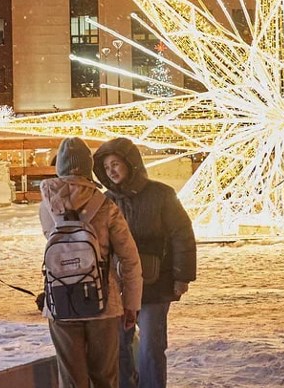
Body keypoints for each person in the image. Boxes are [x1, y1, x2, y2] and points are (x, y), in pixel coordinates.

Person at [40, 137, 142, 388]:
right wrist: (131, 304)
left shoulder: (46, 204)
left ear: (59, 167)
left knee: (71, 379)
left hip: (60, 301)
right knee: (105, 378)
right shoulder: (106, 205)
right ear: (88, 168)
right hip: (103, 302)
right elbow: (129, 258)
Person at [93, 138, 196, 388]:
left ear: (131, 163)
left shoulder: (161, 194)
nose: (112, 171)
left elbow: (181, 234)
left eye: (116, 164)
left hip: (155, 284)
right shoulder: (105, 201)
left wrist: (182, 276)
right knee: (118, 345)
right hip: (118, 287)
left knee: (151, 346)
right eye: (106, 168)